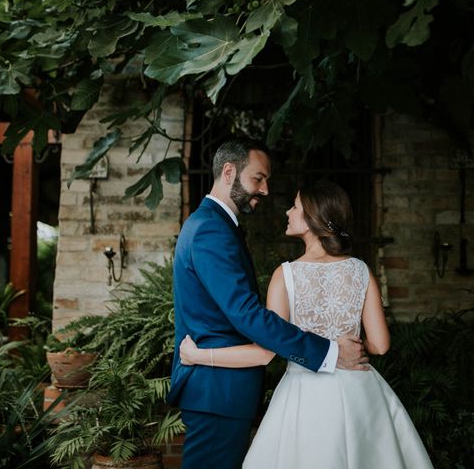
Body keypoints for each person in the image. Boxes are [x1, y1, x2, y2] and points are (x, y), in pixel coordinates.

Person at [180, 180, 434, 469]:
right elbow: (380, 345)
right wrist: (342, 345)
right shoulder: (361, 270)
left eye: (295, 206)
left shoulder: (286, 275)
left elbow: (265, 352)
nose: (288, 211)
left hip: (304, 393)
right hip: (359, 391)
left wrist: (199, 355)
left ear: (314, 218)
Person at [168, 139, 367, 469]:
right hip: (218, 391)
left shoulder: (214, 226)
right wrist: (329, 351)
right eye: (258, 178)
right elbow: (245, 314)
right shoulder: (210, 231)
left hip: (221, 390)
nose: (265, 189)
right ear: (229, 172)